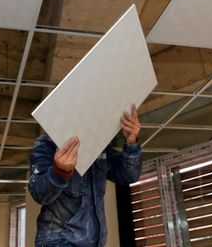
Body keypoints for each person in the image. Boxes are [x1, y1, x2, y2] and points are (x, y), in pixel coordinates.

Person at [28, 105, 143, 247]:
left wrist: (131, 143)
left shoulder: (99, 144)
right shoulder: (45, 145)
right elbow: (39, 193)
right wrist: (59, 171)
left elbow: (128, 176)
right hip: (58, 242)